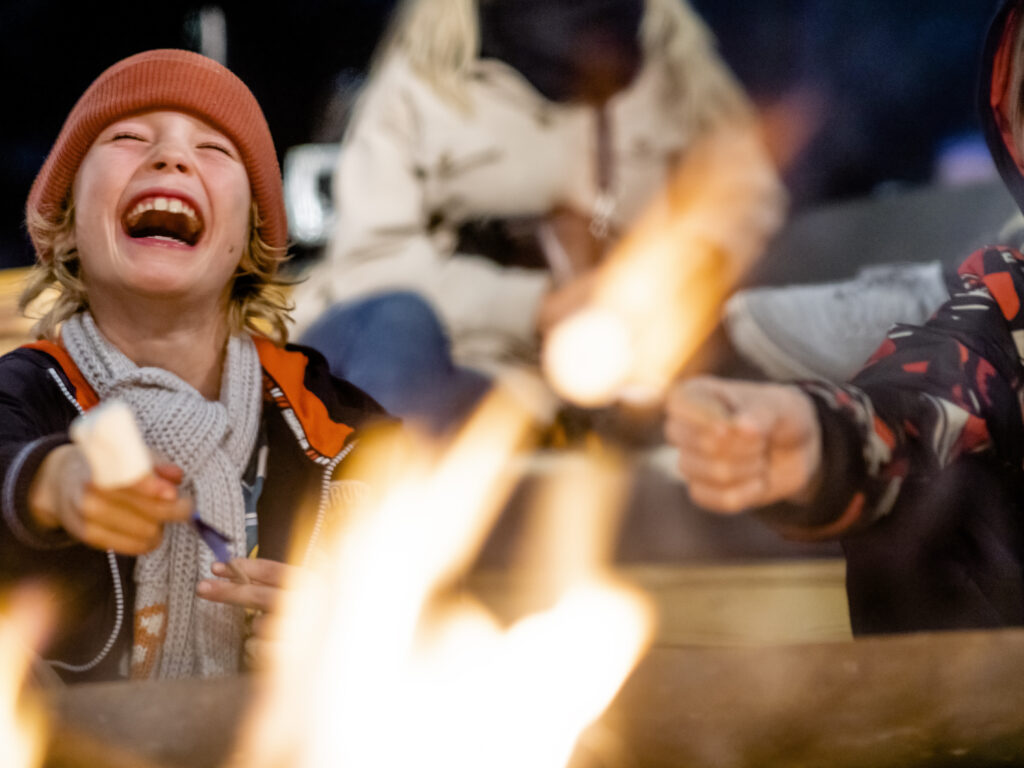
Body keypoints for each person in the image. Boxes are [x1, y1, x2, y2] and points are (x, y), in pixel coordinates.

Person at [0, 50, 386, 683]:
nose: (171, 157)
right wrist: (51, 481)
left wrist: (352, 630)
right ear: (66, 226)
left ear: (251, 240)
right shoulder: (28, 394)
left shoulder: (323, 418)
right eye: (127, 138)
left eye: (214, 150)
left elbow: (435, 547)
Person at [665, 0, 1024, 635]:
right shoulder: (1009, 290)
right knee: (937, 490)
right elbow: (935, 385)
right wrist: (824, 438)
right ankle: (942, 723)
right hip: (994, 690)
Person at [291, 0, 785, 433]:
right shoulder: (424, 78)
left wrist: (685, 270)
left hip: (634, 371)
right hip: (469, 363)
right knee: (393, 338)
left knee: (777, 340)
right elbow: (369, 268)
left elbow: (748, 194)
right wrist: (537, 307)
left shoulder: (671, 56)